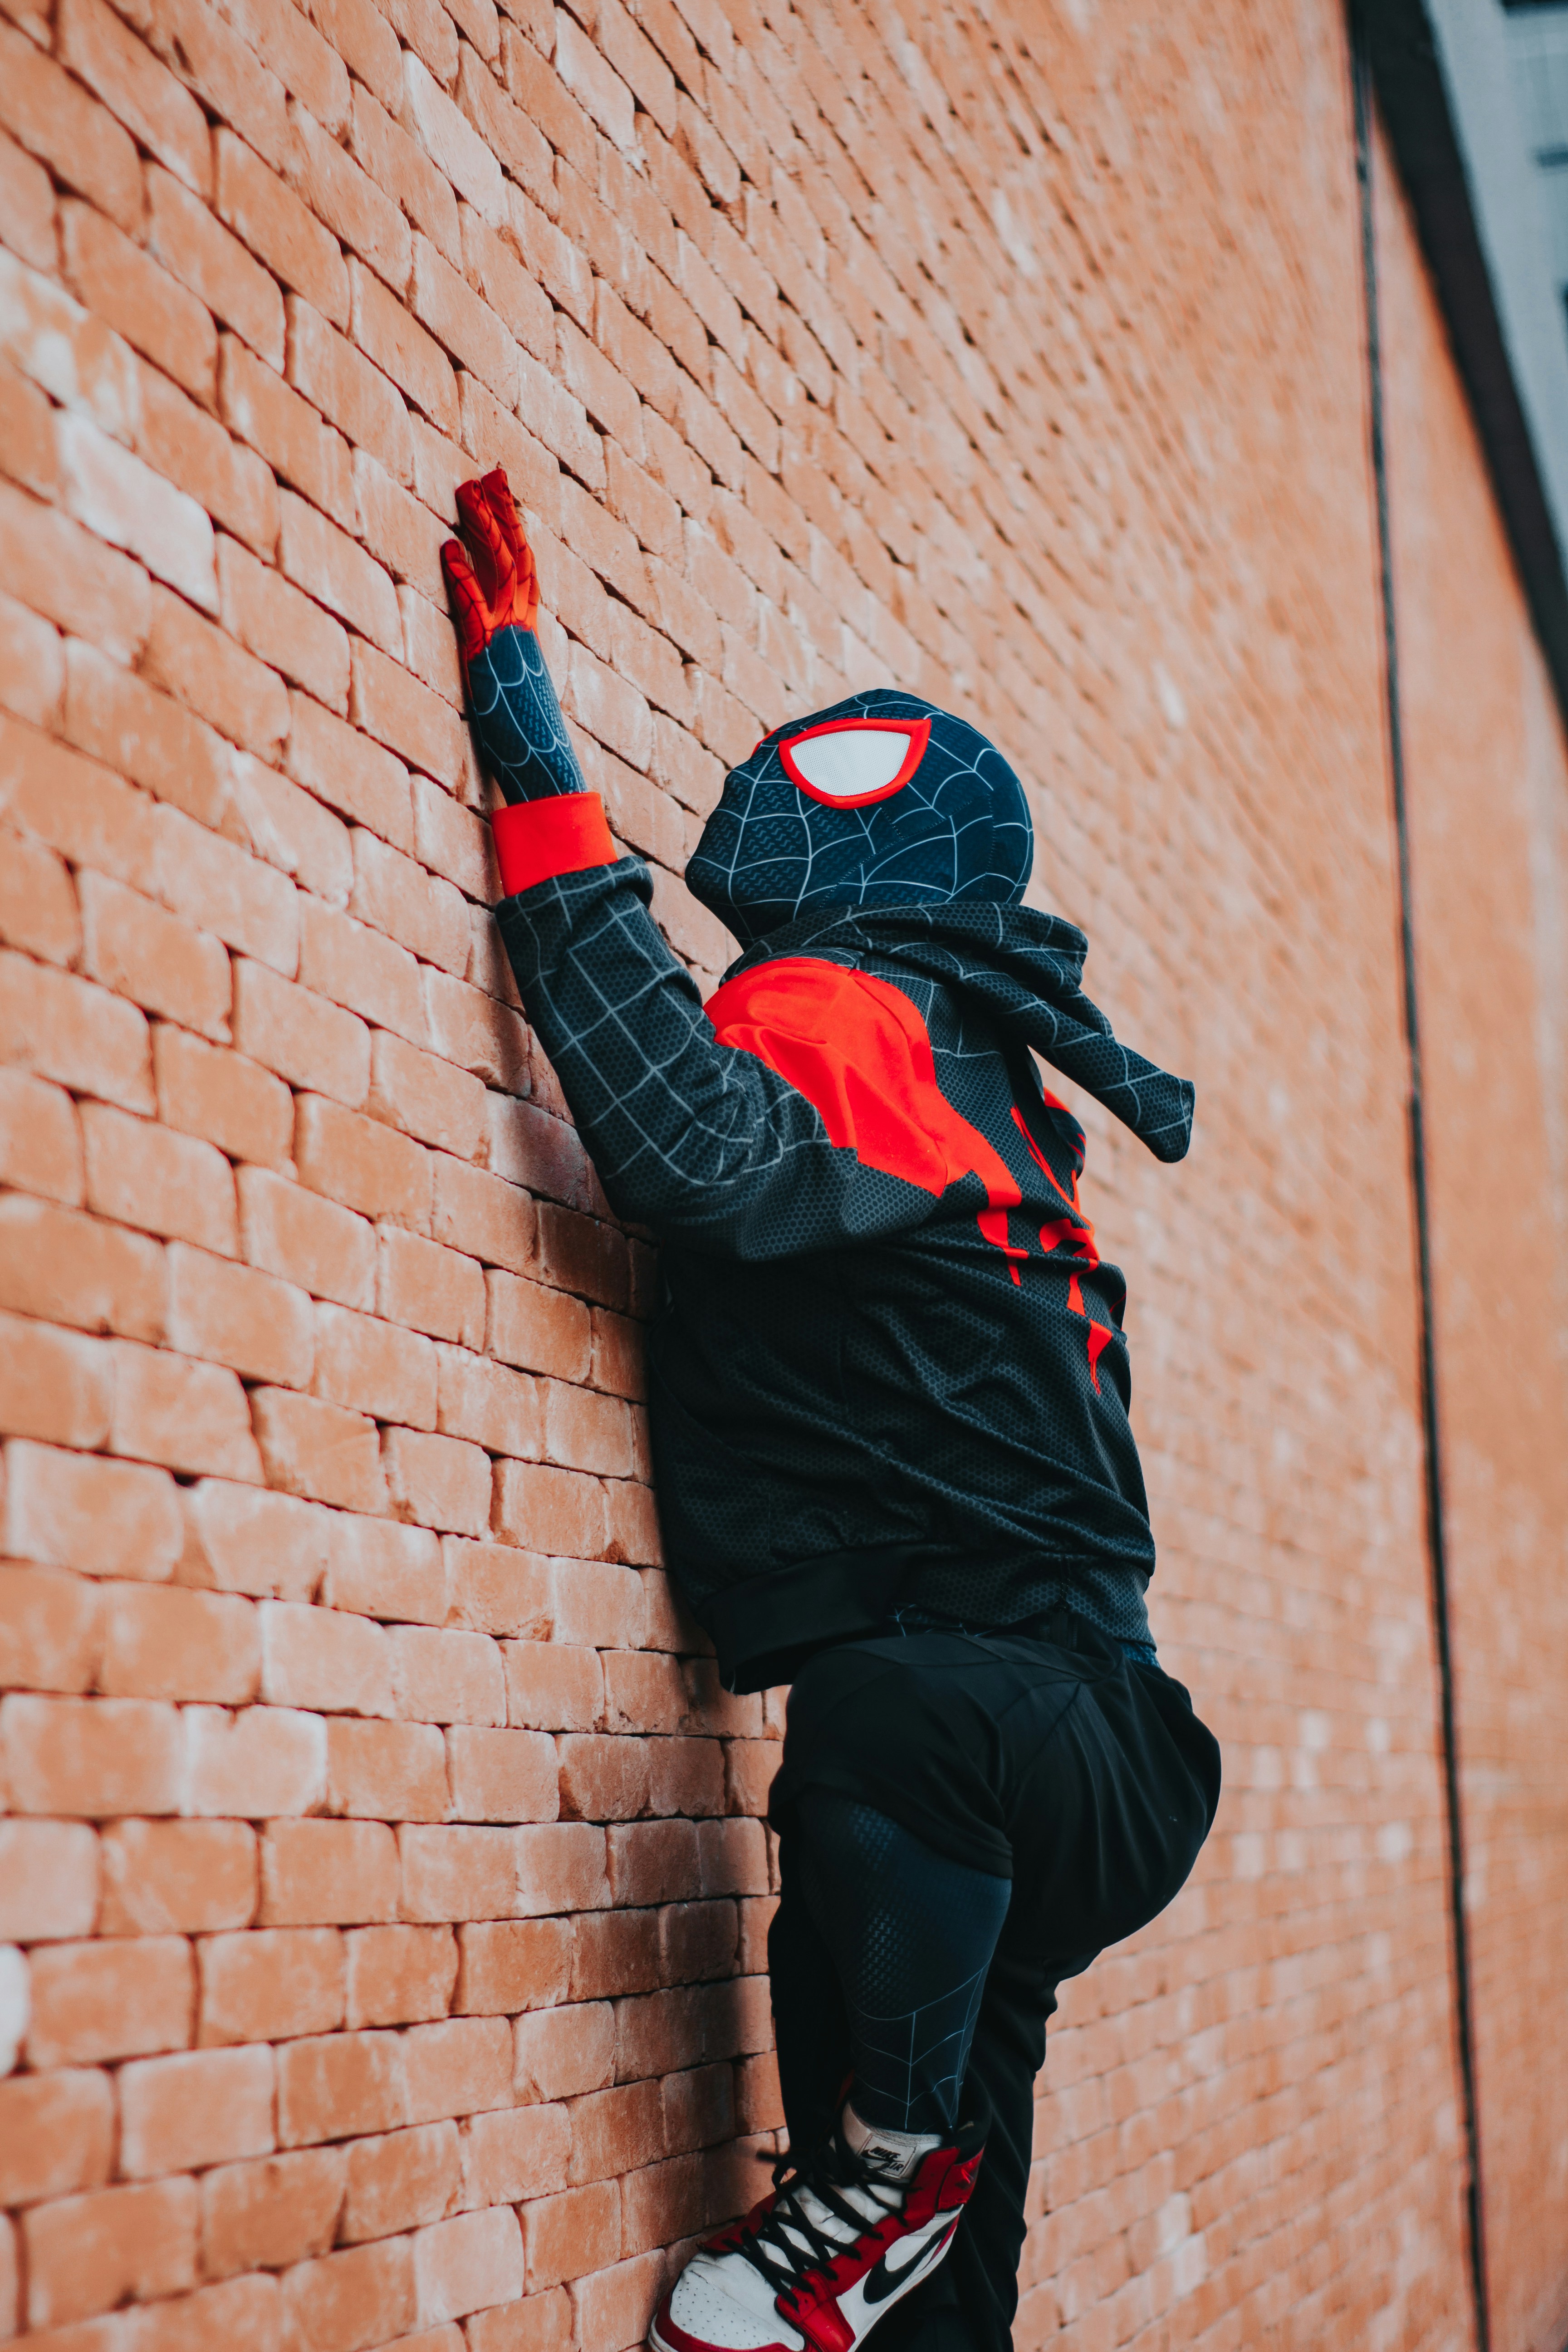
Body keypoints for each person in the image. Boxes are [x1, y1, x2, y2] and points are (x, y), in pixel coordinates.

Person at [443, 470, 1221, 2352]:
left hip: (985, 1722)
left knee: (883, 1738)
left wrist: (529, 737)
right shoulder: (971, 1054)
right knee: (919, 2296)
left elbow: (685, 1146)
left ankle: (885, 2175)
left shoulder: (856, 1006)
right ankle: (893, 2193)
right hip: (1041, 1770)